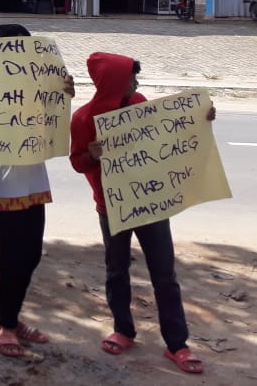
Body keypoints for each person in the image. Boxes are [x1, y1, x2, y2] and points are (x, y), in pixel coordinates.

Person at [70, 52, 212, 375]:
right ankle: (124, 330)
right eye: (130, 79)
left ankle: (177, 343)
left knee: (165, 274)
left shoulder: (140, 103)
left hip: (151, 204)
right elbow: (76, 161)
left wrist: (202, 119)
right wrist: (91, 157)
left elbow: (169, 135)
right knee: (116, 270)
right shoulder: (82, 119)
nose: (135, 84)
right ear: (113, 82)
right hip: (112, 207)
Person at [0, 24, 74, 358]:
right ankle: (7, 325)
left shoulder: (39, 84)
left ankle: (9, 316)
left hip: (35, 180)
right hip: (5, 184)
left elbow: (53, 124)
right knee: (12, 258)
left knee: (32, 254)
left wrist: (62, 95)